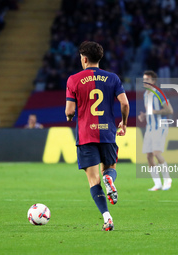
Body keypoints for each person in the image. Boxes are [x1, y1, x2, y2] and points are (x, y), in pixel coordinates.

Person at [65, 41, 129, 231]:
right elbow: (124, 104)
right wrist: (124, 123)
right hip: (107, 133)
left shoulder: (73, 80)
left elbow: (69, 110)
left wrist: (70, 116)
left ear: (84, 59)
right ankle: (110, 178)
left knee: (93, 180)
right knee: (109, 169)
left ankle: (107, 218)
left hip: (86, 135)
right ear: (98, 58)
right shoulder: (113, 78)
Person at [138, 70, 173, 191]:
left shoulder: (159, 93)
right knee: (148, 156)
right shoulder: (145, 94)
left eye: (147, 79)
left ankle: (167, 179)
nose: (145, 81)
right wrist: (144, 115)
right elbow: (149, 112)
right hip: (150, 127)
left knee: (156, 153)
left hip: (160, 126)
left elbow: (169, 110)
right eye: (144, 79)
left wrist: (155, 112)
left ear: (153, 81)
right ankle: (157, 184)